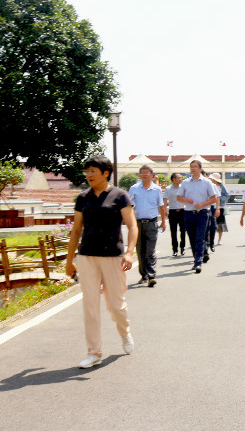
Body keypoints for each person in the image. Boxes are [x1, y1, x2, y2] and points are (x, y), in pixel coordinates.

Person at [65, 155, 138, 368]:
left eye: (93, 171)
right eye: (87, 171)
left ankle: (124, 332)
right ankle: (94, 352)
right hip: (87, 255)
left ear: (106, 173)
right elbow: (76, 230)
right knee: (90, 304)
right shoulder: (83, 197)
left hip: (113, 256)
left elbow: (132, 225)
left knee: (116, 305)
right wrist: (69, 261)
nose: (88, 175)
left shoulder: (120, 195)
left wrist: (130, 252)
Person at [128, 165, 167, 287]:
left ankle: (151, 276)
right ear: (140, 175)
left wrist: (163, 221)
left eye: (147, 172)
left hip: (152, 223)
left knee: (150, 250)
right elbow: (129, 205)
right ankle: (143, 275)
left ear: (152, 175)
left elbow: (161, 206)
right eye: (142, 172)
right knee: (140, 250)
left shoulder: (157, 189)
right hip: (137, 223)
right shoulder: (134, 188)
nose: (144, 174)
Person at [177, 160, 217, 273]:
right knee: (192, 238)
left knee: (200, 238)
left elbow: (214, 198)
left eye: (195, 167)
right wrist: (186, 200)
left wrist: (203, 204)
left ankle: (198, 263)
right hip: (189, 213)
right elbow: (178, 198)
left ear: (200, 168)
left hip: (202, 213)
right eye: (191, 167)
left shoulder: (207, 182)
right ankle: (196, 258)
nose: (193, 168)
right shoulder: (185, 183)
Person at [164, 173, 187, 256]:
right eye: (179, 178)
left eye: (181, 178)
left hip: (182, 211)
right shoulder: (168, 188)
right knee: (173, 231)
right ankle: (175, 250)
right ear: (173, 179)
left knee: (183, 231)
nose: (180, 179)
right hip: (172, 212)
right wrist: (164, 210)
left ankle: (182, 248)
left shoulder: (183, 188)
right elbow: (165, 199)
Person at [209, 173, 230, 245]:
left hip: (220, 207)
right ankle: (209, 239)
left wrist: (219, 199)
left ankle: (220, 239)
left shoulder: (222, 186)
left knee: (220, 224)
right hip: (211, 207)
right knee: (210, 224)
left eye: (212, 178)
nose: (211, 179)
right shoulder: (210, 185)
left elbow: (227, 195)